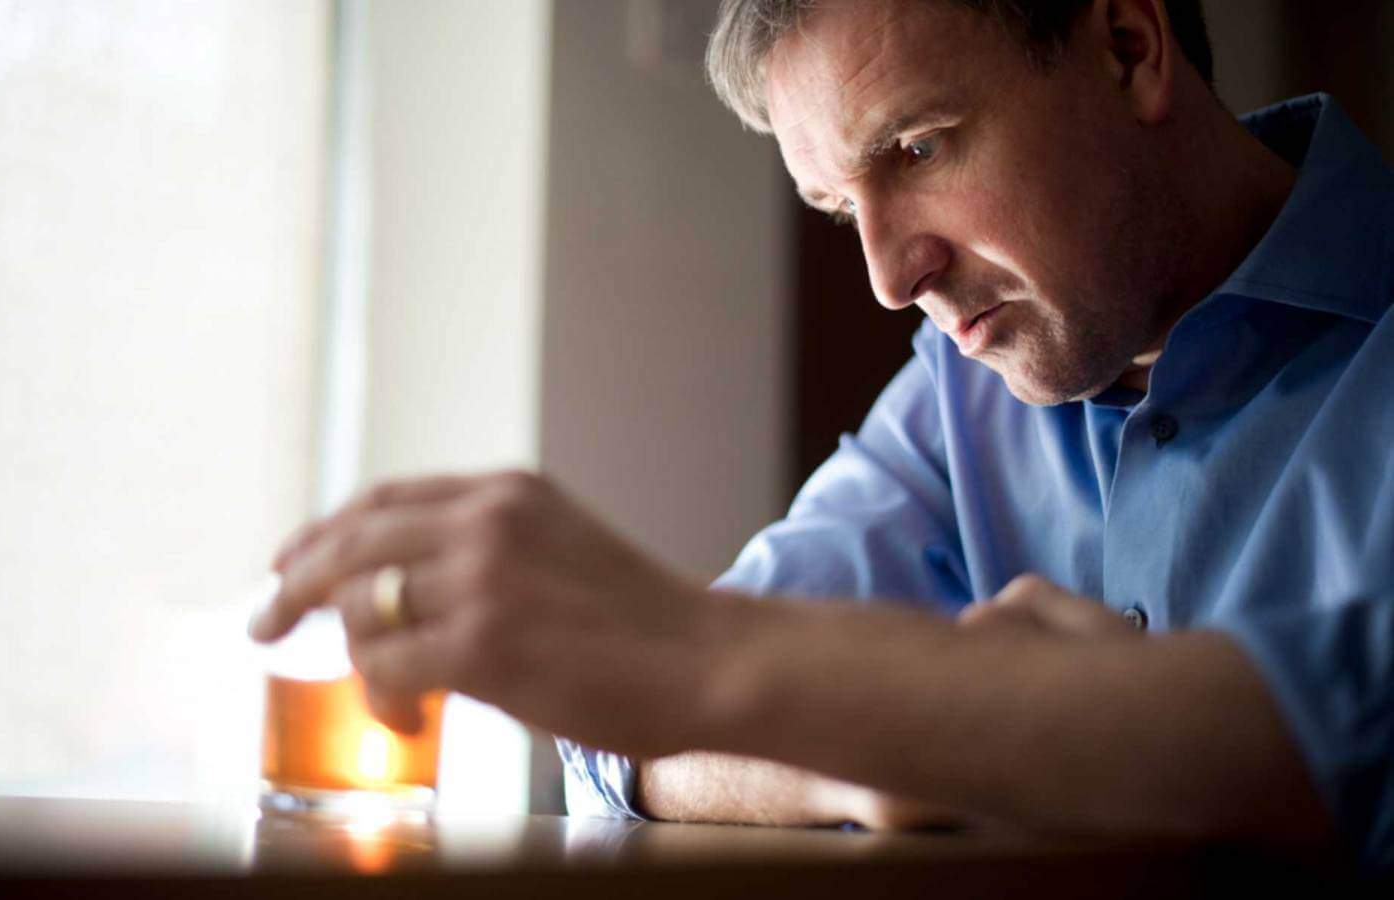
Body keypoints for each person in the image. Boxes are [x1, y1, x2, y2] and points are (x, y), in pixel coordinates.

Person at [249, 0, 1394, 869]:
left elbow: (1346, 747)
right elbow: (630, 744)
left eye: (919, 149)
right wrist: (890, 738)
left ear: (1132, 47)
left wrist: (793, 689)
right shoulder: (963, 395)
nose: (892, 278)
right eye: (844, 208)